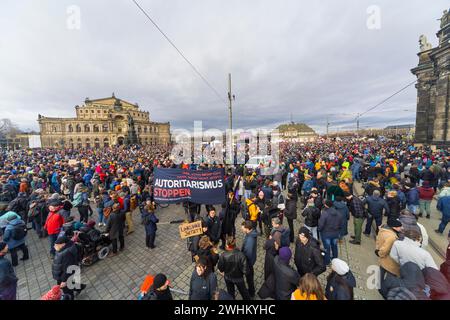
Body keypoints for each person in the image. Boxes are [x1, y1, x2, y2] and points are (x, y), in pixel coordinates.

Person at [376, 218, 403, 297]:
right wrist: (380, 253)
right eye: (399, 227)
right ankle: (384, 294)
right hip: (389, 262)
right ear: (394, 227)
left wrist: (377, 251)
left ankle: (379, 286)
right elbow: (385, 249)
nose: (401, 228)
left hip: (383, 260)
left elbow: (378, 241)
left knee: (380, 275)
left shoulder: (383, 230)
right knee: (388, 282)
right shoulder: (392, 237)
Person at [52, 236, 83, 300]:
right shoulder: (62, 250)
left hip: (64, 276)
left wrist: (64, 280)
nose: (55, 246)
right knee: (69, 284)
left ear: (63, 244)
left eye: (57, 245)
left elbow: (68, 269)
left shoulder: (67, 253)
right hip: (61, 274)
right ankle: (80, 287)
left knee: (67, 292)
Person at [318, 200, 343, 265]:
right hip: (335, 233)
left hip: (326, 234)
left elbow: (321, 224)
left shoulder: (325, 213)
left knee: (327, 248)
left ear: (326, 205)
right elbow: (341, 225)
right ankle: (335, 259)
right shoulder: (339, 213)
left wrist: (319, 230)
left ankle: (327, 261)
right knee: (334, 246)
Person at [241, 220, 257, 298]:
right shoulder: (251, 233)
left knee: (249, 278)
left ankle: (251, 292)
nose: (241, 229)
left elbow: (248, 254)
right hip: (251, 260)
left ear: (247, 228)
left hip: (248, 263)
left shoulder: (250, 240)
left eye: (242, 228)